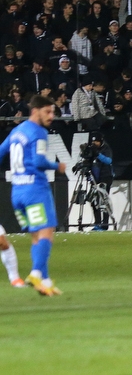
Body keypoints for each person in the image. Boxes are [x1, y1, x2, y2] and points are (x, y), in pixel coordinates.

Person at [0, 95, 66, 295]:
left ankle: (44, 281)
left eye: (53, 112)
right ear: (35, 110)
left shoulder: (16, 131)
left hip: (17, 192)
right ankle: (37, 272)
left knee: (37, 237)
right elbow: (38, 162)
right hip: (35, 190)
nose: (51, 116)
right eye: (48, 111)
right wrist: (57, 166)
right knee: (47, 232)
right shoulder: (38, 133)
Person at [88, 132, 114, 231]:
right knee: (94, 201)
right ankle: (97, 223)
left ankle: (105, 224)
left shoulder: (106, 148)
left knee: (103, 201)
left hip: (105, 177)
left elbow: (108, 161)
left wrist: (98, 154)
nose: (95, 143)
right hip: (95, 177)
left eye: (97, 141)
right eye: (94, 141)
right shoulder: (91, 148)